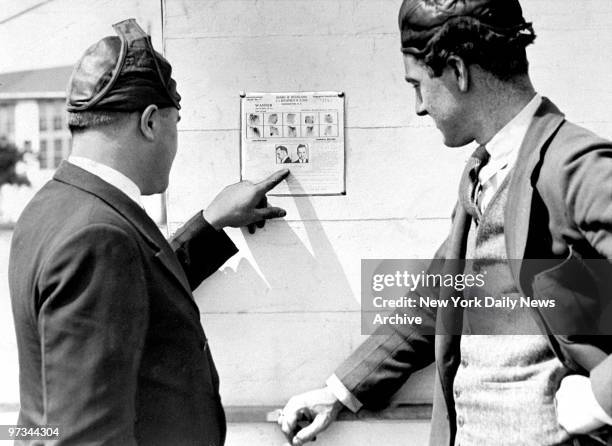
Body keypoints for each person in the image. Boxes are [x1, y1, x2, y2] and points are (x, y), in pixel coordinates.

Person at [280, 1, 612, 445]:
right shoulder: (485, 170)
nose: (418, 106)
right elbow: (437, 298)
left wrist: (599, 398)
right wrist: (338, 393)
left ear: (457, 70)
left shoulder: (575, 163)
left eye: (418, 84)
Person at [9, 19, 289, 446]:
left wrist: (209, 223)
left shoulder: (55, 206)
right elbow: (85, 437)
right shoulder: (101, 237)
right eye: (178, 122)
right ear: (151, 122)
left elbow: (133, 292)